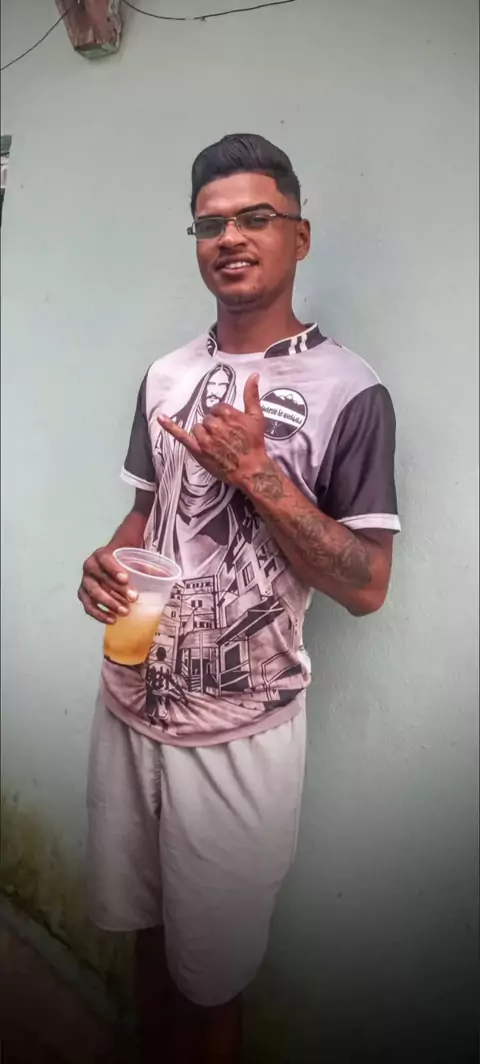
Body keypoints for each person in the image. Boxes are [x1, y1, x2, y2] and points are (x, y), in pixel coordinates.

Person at [79, 133, 400, 1063]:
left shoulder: (350, 392)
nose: (230, 237)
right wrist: (106, 562)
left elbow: (367, 587)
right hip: (130, 707)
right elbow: (144, 518)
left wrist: (260, 476)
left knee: (212, 978)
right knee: (142, 934)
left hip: (240, 733)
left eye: (255, 217)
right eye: (210, 223)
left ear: (300, 236)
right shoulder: (165, 375)